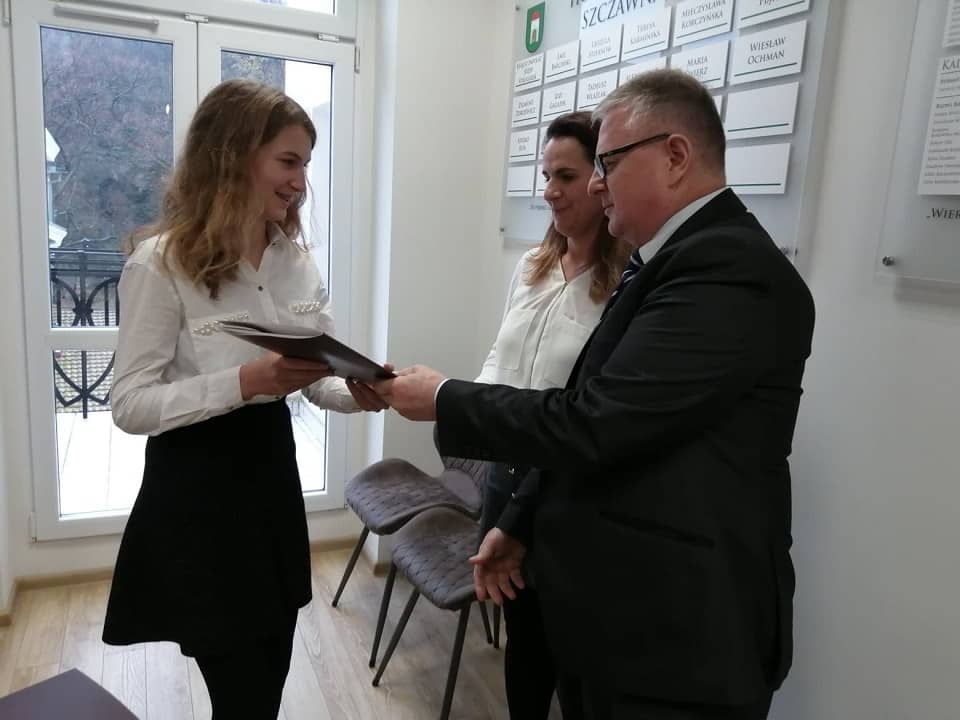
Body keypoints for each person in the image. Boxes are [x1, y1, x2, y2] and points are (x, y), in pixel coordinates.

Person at [366, 69, 816, 720]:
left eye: (609, 162)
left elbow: (595, 423)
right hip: (615, 620)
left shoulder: (729, 271)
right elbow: (600, 410)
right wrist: (519, 524)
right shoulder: (662, 262)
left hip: (681, 640)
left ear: (676, 155)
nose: (597, 183)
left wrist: (444, 398)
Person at [102, 79, 387, 718]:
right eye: (288, 161)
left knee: (271, 668)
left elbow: (313, 375)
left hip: (270, 478)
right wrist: (243, 382)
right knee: (241, 690)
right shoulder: (159, 264)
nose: (300, 182)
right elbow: (129, 404)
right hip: (197, 491)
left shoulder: (296, 263)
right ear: (231, 156)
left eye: (306, 164)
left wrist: (358, 392)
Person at [475, 111, 629, 719]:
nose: (549, 191)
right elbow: (499, 355)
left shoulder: (623, 286)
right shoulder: (533, 265)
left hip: (565, 490)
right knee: (524, 646)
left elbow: (591, 408)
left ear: (601, 180)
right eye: (546, 176)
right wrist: (463, 408)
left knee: (571, 653)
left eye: (565, 176)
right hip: (505, 477)